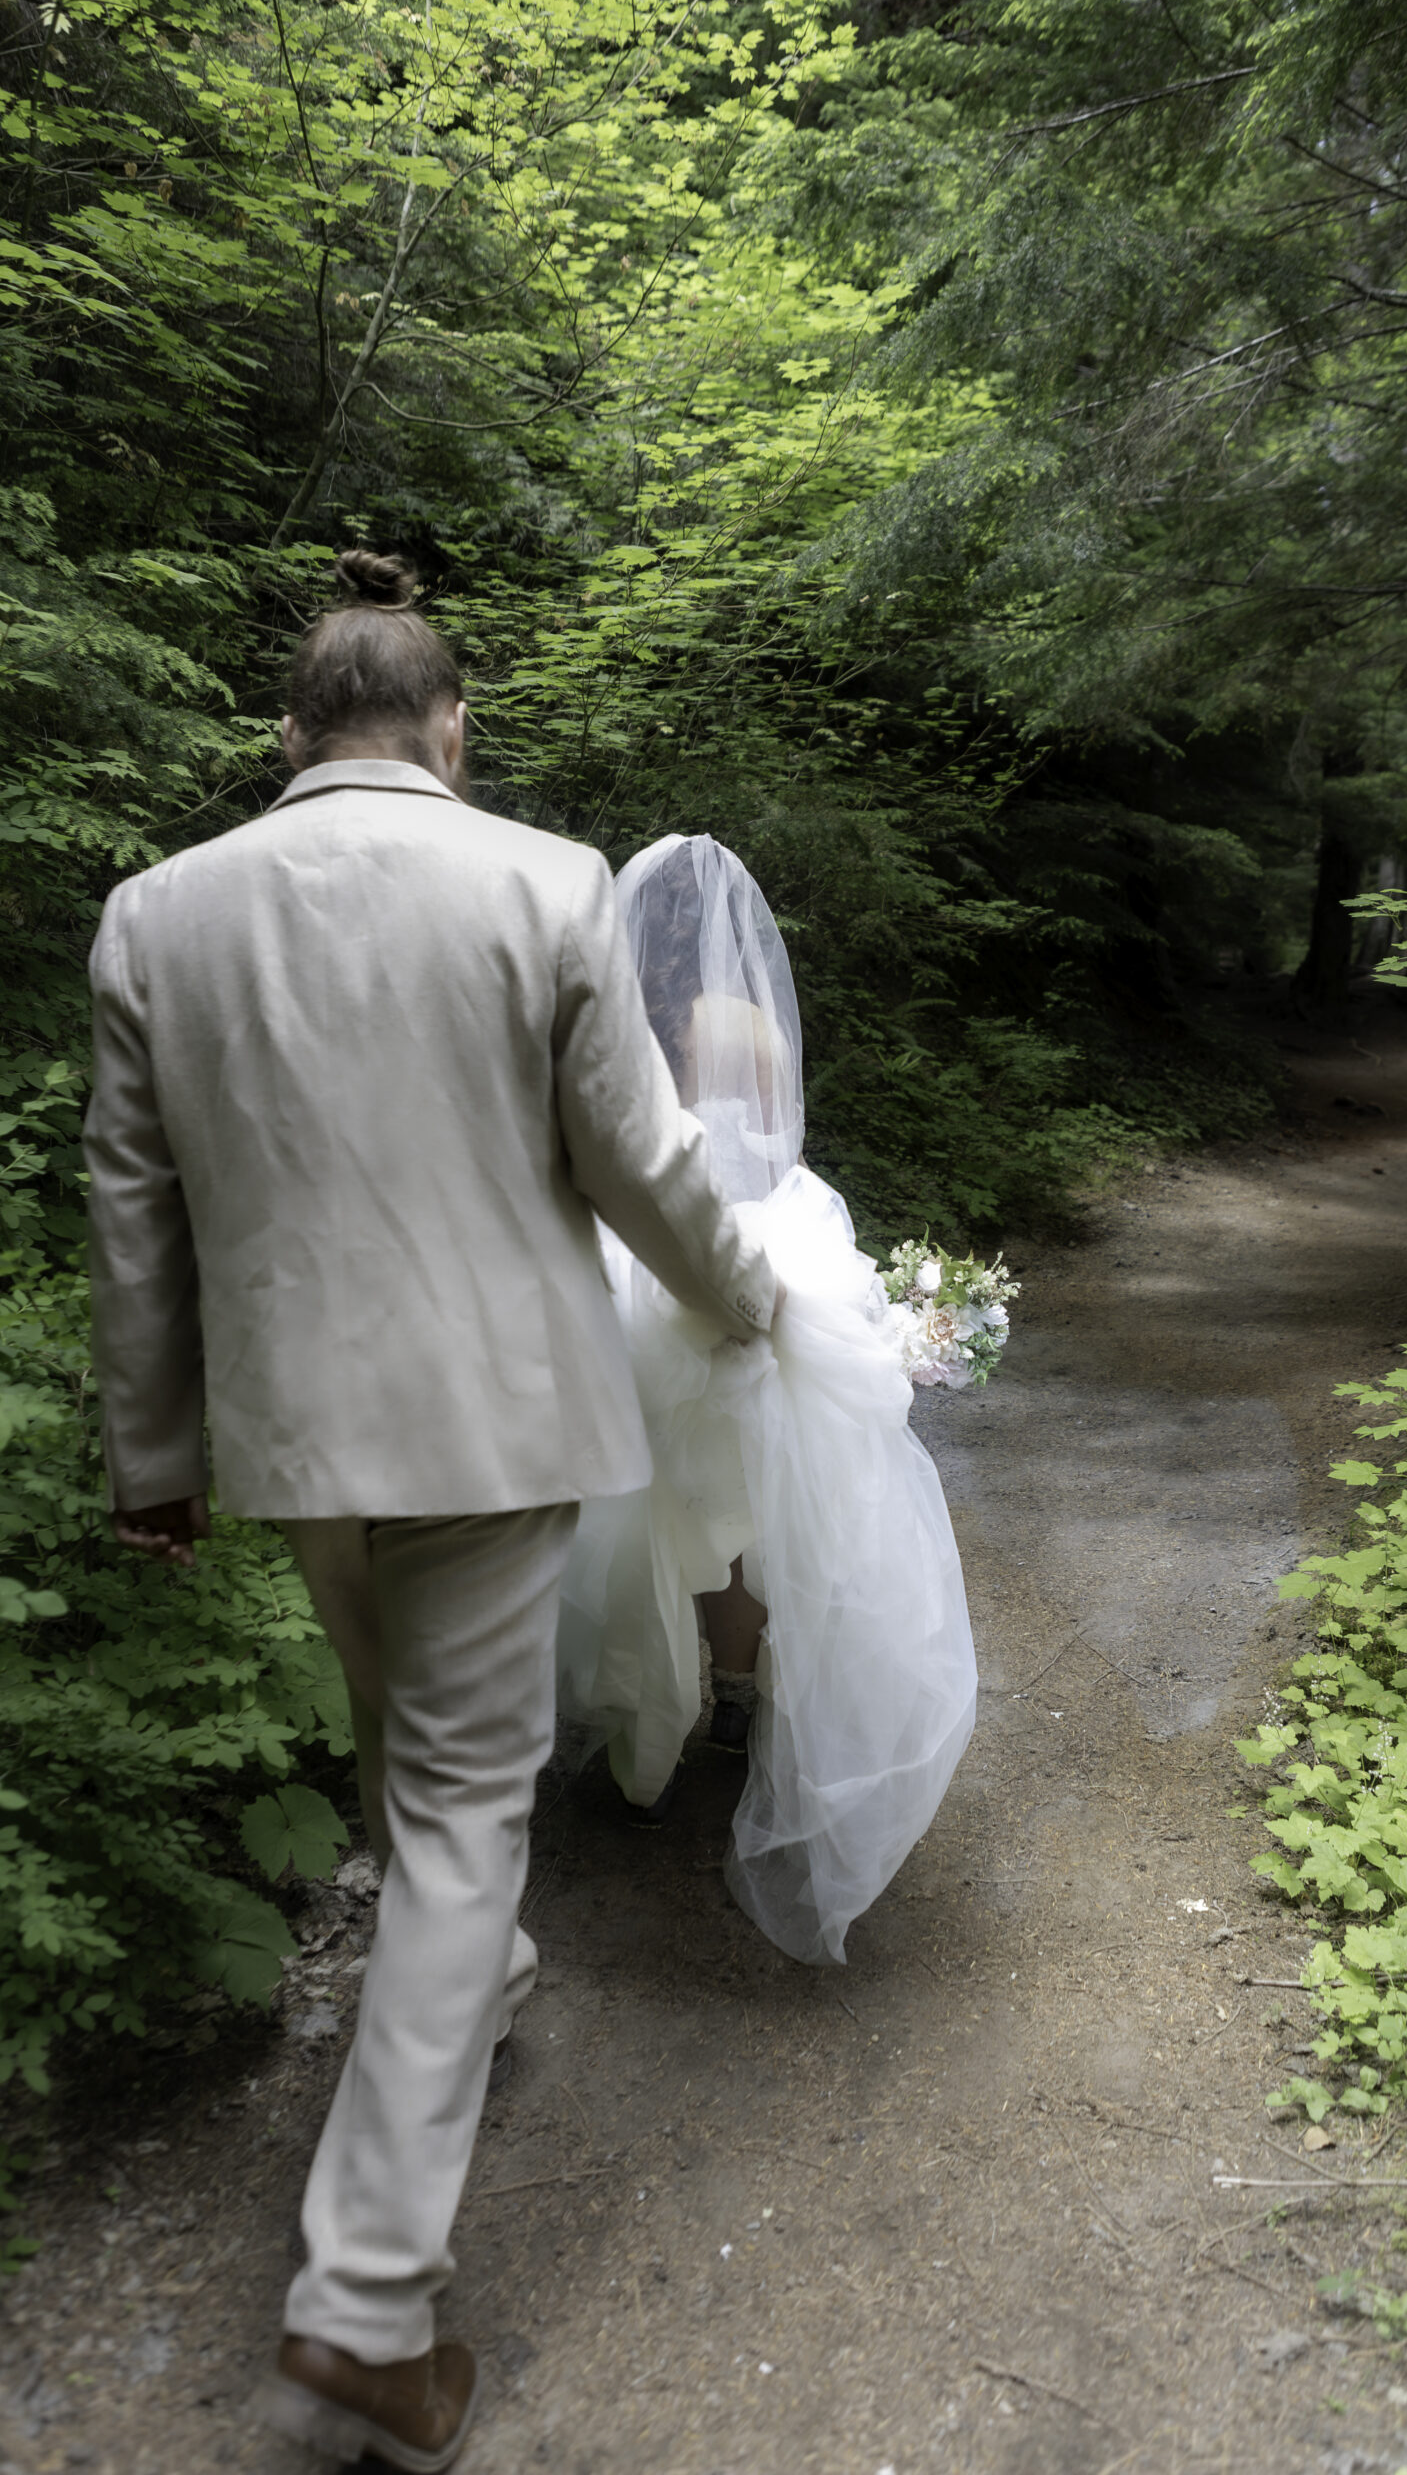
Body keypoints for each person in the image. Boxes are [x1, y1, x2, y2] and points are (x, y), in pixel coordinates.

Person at [84, 557, 778, 2474]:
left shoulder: (155, 916)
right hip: (491, 1429)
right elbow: (637, 1165)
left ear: (291, 735)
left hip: (298, 1441)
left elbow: (130, 1217)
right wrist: (751, 1308)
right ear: (451, 731)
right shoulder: (544, 880)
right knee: (463, 1812)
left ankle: (472, 1990)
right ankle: (368, 2313)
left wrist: (154, 1457)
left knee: (408, 1762)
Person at [556, 834, 977, 1965]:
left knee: (658, 1489)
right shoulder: (745, 1022)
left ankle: (659, 1700)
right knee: (758, 1488)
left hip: (649, 1257)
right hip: (767, 1239)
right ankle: (738, 1688)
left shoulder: (612, 1008)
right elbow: (777, 1140)